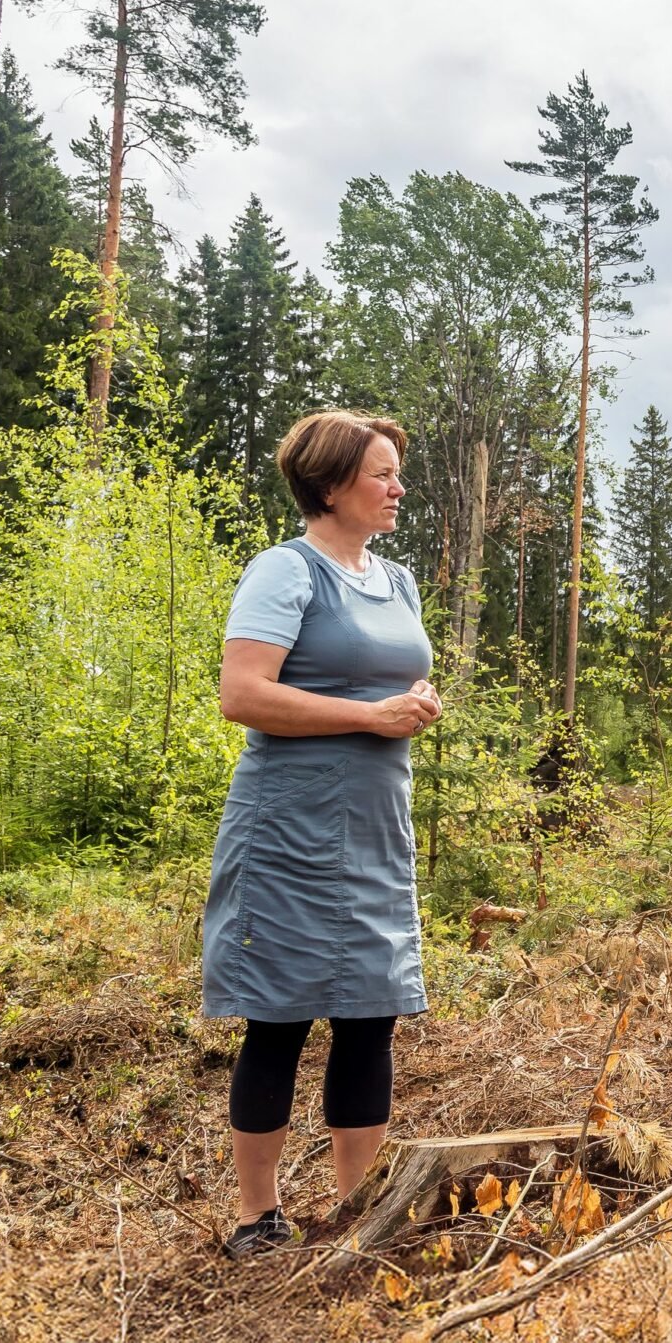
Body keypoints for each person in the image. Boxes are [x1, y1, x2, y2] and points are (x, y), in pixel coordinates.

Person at [202, 411, 442, 1261]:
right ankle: (258, 1216)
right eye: (383, 473)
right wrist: (368, 715)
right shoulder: (284, 570)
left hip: (375, 830)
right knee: (280, 1018)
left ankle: (357, 1213)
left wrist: (417, 701)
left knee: (370, 1016)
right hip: (288, 831)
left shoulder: (398, 580)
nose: (399, 487)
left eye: (396, 472)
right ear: (333, 485)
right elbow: (242, 693)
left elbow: (396, 678)